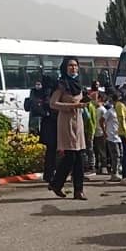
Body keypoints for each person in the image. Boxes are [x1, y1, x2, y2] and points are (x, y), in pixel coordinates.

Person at [48, 58, 88, 200]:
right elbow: (53, 104)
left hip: (78, 122)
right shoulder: (61, 85)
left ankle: (78, 190)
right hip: (66, 122)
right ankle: (57, 183)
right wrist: (72, 106)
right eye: (70, 65)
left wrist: (86, 102)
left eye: (75, 65)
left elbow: (80, 101)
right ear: (65, 68)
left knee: (79, 157)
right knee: (71, 156)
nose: (73, 68)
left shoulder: (79, 83)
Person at [37, 75, 59, 183]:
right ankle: (51, 174)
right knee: (52, 152)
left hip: (46, 125)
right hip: (52, 126)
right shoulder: (50, 93)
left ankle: (48, 174)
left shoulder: (41, 92)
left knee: (50, 152)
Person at [101, 91, 123, 182]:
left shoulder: (121, 110)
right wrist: (104, 132)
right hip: (112, 136)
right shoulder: (110, 112)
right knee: (115, 155)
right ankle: (114, 173)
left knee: (121, 154)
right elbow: (101, 120)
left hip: (120, 136)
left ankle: (119, 169)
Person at [81, 85, 101, 175]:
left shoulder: (88, 106)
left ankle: (90, 167)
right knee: (88, 149)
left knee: (88, 149)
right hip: (88, 130)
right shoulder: (90, 105)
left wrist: (91, 132)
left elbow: (90, 120)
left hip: (88, 130)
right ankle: (89, 166)